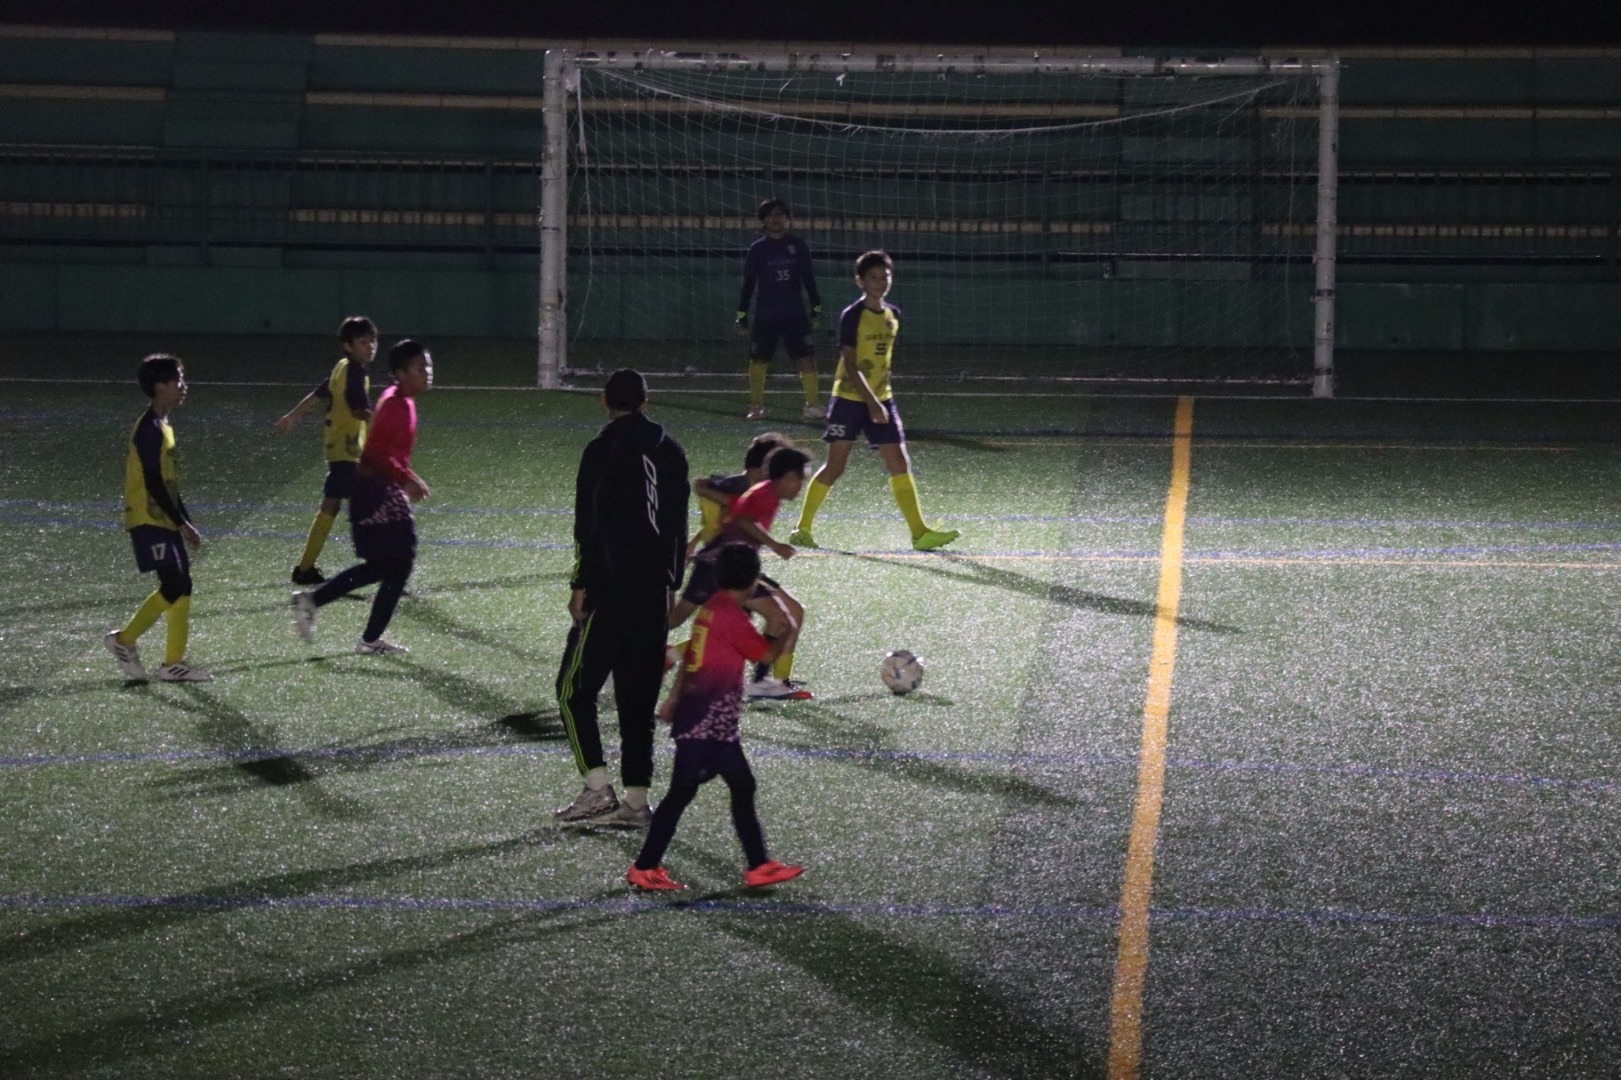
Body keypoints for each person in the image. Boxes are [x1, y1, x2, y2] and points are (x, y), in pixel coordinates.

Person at [627, 543, 806, 892]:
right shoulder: (733, 619)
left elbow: (694, 652)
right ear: (752, 580)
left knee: (739, 786)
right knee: (684, 792)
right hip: (707, 722)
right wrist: (782, 628)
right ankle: (645, 867)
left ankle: (759, 865)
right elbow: (765, 655)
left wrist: (673, 697)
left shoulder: (713, 607)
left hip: (710, 719)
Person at [554, 369, 690, 827]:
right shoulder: (671, 450)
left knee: (572, 691)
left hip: (610, 592)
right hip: (653, 594)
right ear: (646, 402)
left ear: (604, 401)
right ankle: (636, 801)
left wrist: (580, 584)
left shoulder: (601, 450)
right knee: (637, 699)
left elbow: (588, 525)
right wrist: (671, 586)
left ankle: (597, 788)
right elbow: (677, 527)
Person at [789, 250, 959, 553]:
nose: (880, 282)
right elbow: (851, 364)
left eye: (885, 277)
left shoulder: (893, 315)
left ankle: (920, 533)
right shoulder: (852, 316)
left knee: (899, 463)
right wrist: (871, 402)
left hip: (882, 398)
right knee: (835, 466)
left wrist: (880, 397)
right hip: (849, 399)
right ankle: (802, 528)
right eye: (874, 277)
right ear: (860, 281)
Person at [291, 339, 433, 655]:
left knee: (384, 567)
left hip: (380, 491)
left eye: (428, 366)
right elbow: (374, 455)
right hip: (376, 494)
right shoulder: (395, 404)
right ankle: (367, 639)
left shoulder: (404, 401)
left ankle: (314, 602)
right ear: (400, 373)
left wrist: (406, 477)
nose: (427, 372)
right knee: (400, 562)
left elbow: (387, 455)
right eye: (419, 367)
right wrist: (407, 479)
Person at [669, 446, 813, 701]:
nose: (800, 487)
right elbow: (743, 520)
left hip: (731, 566)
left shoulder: (766, 492)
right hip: (719, 567)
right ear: (788, 477)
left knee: (780, 620)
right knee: (676, 620)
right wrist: (774, 545)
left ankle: (760, 683)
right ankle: (630, 653)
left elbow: (731, 514)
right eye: (799, 480)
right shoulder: (765, 495)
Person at [103, 353, 212, 682]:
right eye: (177, 380)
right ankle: (123, 640)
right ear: (160, 387)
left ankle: (172, 664)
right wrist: (181, 523)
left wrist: (185, 522)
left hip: (163, 518)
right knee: (174, 584)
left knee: (183, 585)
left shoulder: (163, 426)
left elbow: (169, 485)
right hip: (147, 519)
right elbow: (152, 482)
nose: (183, 386)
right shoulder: (149, 429)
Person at [274, 316, 379, 586]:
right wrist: (384, 423)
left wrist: (293, 415)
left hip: (337, 450)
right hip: (348, 451)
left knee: (332, 505)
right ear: (348, 346)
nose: (370, 347)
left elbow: (318, 394)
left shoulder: (341, 367)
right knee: (373, 505)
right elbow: (359, 409)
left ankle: (305, 568)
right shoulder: (354, 372)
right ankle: (381, 567)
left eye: (372, 341)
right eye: (363, 342)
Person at [736, 198, 823, 422]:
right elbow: (748, 284)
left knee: (806, 359)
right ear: (763, 221)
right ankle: (757, 406)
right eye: (770, 215)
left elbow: (808, 279)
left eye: (780, 214)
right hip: (766, 316)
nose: (775, 219)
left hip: (795, 314)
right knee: (759, 360)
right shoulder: (757, 249)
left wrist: (816, 307)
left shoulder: (798, 246)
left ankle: (812, 405)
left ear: (787, 219)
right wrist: (741, 314)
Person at [687, 430, 786, 558]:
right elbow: (700, 485)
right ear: (760, 469)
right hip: (728, 556)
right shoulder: (739, 486)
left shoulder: (758, 490)